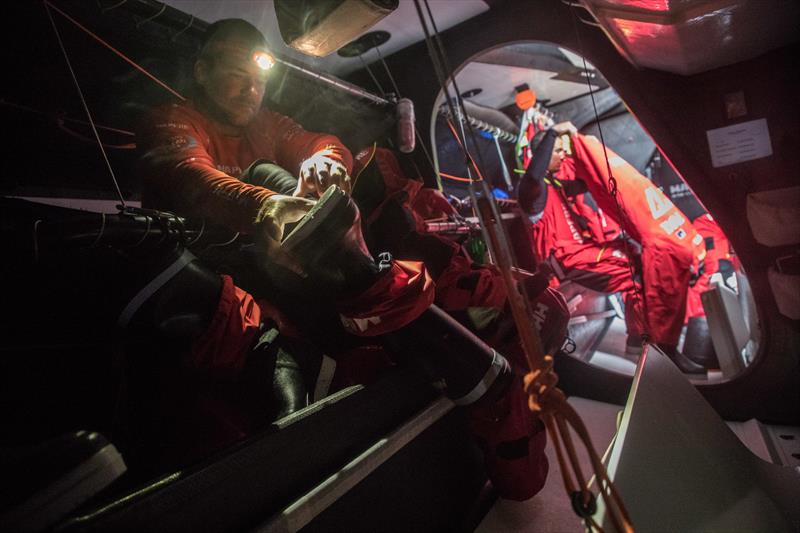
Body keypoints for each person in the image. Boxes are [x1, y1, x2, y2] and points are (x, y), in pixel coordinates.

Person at [136, 18, 354, 269]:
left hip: (262, 267)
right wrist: (263, 204)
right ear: (202, 72)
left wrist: (326, 161)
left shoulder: (266, 124)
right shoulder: (170, 119)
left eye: (260, 81)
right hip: (191, 265)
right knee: (264, 172)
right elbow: (189, 178)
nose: (251, 90)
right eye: (238, 76)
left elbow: (321, 143)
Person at [520, 123, 707, 373]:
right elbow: (532, 177)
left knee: (641, 260)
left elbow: (601, 178)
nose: (563, 155)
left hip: (582, 252)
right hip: (564, 262)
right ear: (542, 154)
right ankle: (658, 346)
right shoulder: (533, 193)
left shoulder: (558, 182)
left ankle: (639, 340)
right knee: (638, 269)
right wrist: (553, 132)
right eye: (556, 151)